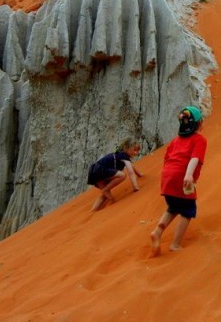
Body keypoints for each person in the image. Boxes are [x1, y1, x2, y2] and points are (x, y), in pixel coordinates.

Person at [150, 106, 208, 256]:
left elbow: (166, 159)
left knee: (174, 207)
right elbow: (195, 157)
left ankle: (157, 232)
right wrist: (188, 175)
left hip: (167, 176)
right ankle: (175, 244)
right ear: (198, 124)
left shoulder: (175, 141)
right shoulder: (199, 140)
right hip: (181, 177)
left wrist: (168, 176)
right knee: (188, 210)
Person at [87, 139, 143, 211]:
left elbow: (132, 167)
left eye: (137, 151)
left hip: (93, 172)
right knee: (122, 175)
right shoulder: (124, 156)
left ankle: (92, 211)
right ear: (126, 148)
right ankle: (105, 190)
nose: (136, 153)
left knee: (106, 195)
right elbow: (130, 171)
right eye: (134, 150)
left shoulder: (120, 155)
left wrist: (139, 174)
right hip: (99, 170)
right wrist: (135, 187)